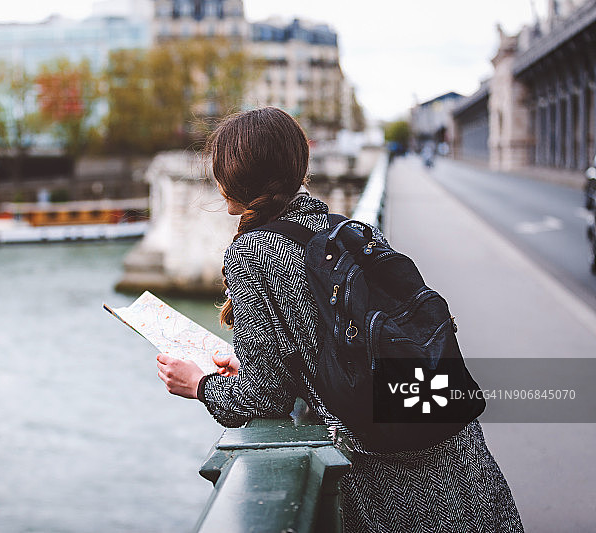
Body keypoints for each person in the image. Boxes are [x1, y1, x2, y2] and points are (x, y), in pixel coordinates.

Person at [156, 107, 523, 532]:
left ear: (231, 180)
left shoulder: (251, 254)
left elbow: (265, 399)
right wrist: (257, 367)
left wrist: (199, 385)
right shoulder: (351, 229)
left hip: (393, 473)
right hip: (455, 445)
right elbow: (329, 344)